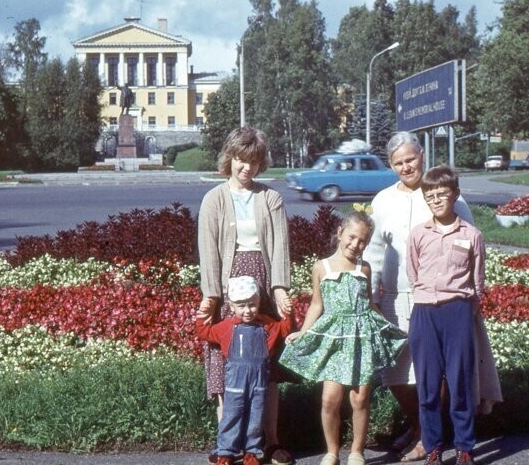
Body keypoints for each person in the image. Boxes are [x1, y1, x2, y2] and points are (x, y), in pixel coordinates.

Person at [364, 132, 500, 462]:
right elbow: (376, 249)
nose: (405, 166)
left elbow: (470, 247)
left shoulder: (449, 195)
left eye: (410, 159)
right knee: (397, 372)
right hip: (397, 295)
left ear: (422, 156)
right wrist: (372, 293)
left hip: (447, 299)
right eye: (398, 163)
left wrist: (470, 299)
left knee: (442, 373)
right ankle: (418, 426)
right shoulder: (383, 200)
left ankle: (429, 437)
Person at [279, 211, 407, 465]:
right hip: (336, 340)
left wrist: (387, 327)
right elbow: (317, 304)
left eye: (362, 241)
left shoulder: (364, 268)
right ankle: (332, 452)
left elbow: (369, 304)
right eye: (351, 237)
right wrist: (304, 332)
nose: (355, 244)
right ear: (340, 233)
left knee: (360, 398)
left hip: (361, 337)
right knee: (330, 399)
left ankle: (357, 451)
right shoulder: (322, 267)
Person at [198, 126, 293, 465]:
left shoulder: (271, 198)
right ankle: (229, 444)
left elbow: (280, 247)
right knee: (227, 367)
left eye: (253, 161)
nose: (246, 168)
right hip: (227, 288)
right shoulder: (214, 199)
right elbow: (208, 251)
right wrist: (211, 295)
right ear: (230, 159)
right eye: (240, 159)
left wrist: (280, 288)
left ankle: (269, 441)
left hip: (264, 287)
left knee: (265, 368)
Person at [407, 165, 494, 465]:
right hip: (424, 312)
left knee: (460, 383)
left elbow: (477, 281)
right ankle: (433, 447)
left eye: (442, 194)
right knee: (428, 386)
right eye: (430, 196)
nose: (436, 200)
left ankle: (465, 447)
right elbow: (413, 272)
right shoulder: (418, 235)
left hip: (458, 312)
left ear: (455, 194)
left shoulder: (472, 235)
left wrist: (464, 309)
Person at [195, 276, 294, 465]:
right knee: (231, 415)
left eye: (252, 305)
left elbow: (285, 329)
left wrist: (287, 312)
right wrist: (203, 314)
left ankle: (253, 452)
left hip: (259, 384)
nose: (247, 311)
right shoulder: (226, 327)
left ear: (258, 303)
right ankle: (226, 451)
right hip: (235, 384)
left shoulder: (267, 325)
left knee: (256, 417)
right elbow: (204, 332)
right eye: (241, 306)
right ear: (231, 306)